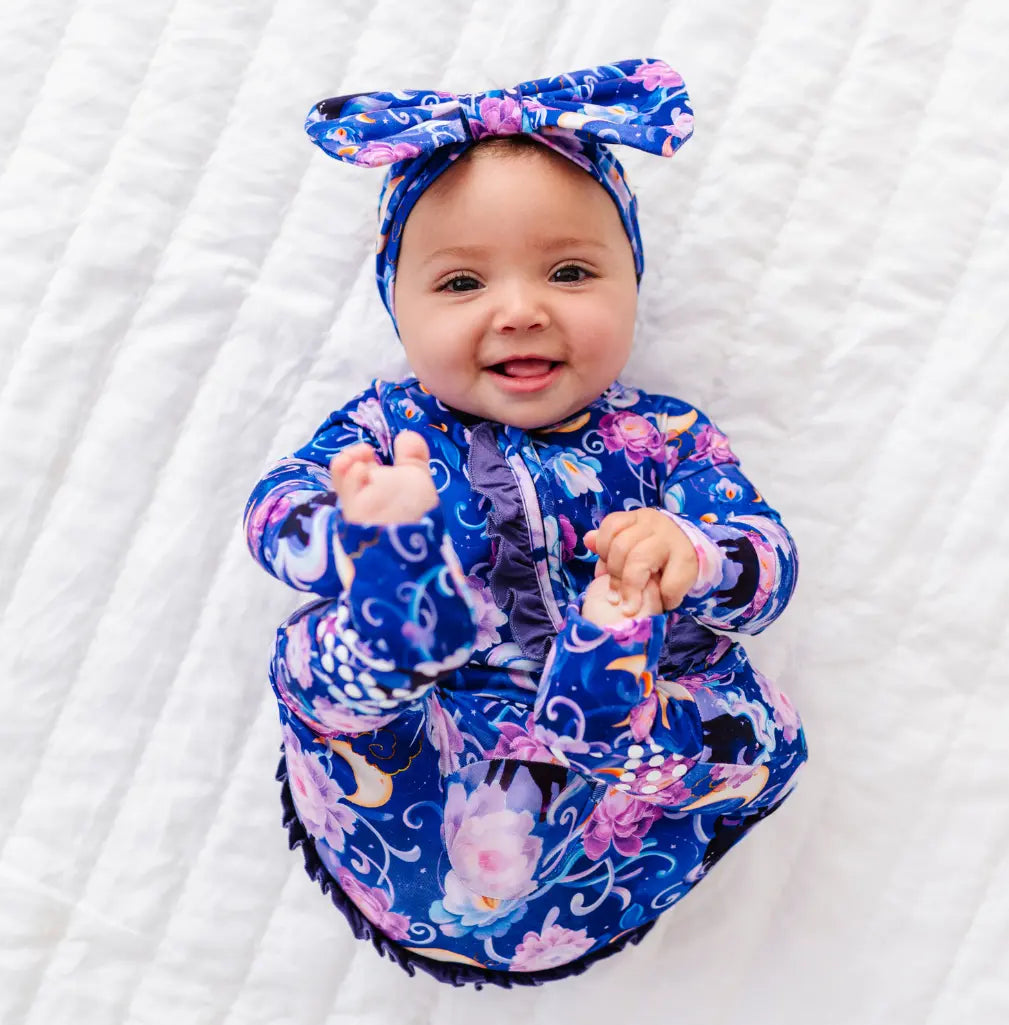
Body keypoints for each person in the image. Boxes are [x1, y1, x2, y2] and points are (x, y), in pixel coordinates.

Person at [243, 59, 808, 988]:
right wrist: (349, 529)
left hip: (602, 792)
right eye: (461, 283)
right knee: (319, 670)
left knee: (759, 733)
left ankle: (606, 699)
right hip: (421, 755)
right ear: (400, 308)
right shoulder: (389, 431)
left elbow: (768, 565)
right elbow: (272, 510)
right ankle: (396, 621)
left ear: (632, 284)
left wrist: (694, 555)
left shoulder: (665, 438)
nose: (519, 309)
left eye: (571, 270)